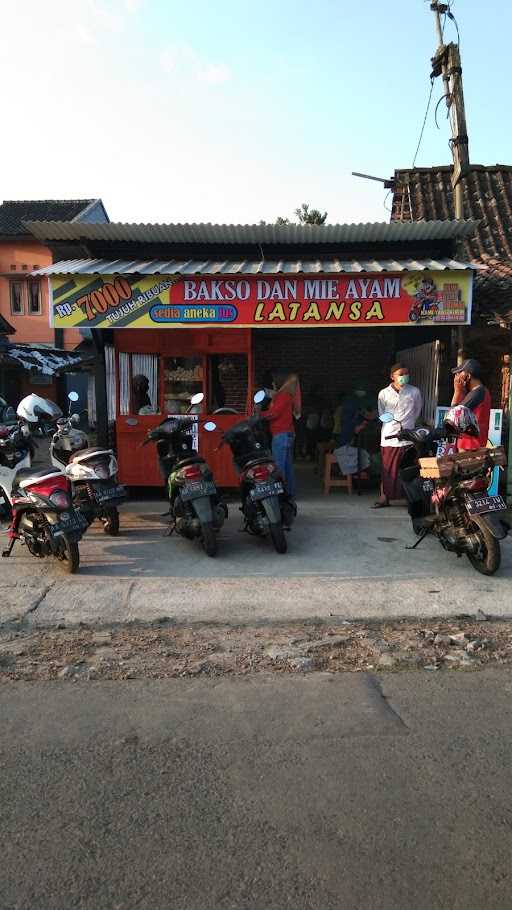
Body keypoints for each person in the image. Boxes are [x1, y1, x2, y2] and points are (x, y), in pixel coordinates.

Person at [374, 363, 422, 508]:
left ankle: (410, 498)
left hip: (408, 437)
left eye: (406, 374)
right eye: (400, 374)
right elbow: (382, 413)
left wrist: (407, 424)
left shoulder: (414, 392)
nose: (404, 377)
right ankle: (384, 498)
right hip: (389, 436)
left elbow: (417, 411)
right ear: (392, 376)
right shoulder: (384, 393)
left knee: (408, 469)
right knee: (388, 469)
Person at [263, 372, 300, 499]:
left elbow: (274, 413)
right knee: (287, 466)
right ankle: (289, 493)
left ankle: (280, 495)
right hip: (287, 434)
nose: (272, 384)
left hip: (280, 434)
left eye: (274, 382)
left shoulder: (282, 396)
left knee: (279, 467)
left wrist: (260, 415)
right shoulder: (287, 395)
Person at [451, 358, 491, 451]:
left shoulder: (477, 392)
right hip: (472, 444)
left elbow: (453, 418)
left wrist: (457, 391)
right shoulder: (479, 392)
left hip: (469, 447)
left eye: (459, 373)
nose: (457, 377)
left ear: (468, 376)